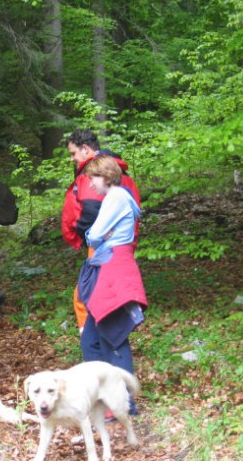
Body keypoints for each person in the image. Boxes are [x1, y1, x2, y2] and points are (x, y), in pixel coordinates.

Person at [61, 129, 141, 361]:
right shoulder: (113, 172)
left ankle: (100, 362)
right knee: (98, 301)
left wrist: (87, 238)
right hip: (114, 249)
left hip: (104, 250)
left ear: (85, 149)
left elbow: (92, 213)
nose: (72, 158)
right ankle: (99, 355)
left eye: (73, 153)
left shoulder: (97, 173)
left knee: (89, 300)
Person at [80, 155, 148, 416]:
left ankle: (123, 403)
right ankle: (108, 399)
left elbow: (94, 235)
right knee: (93, 339)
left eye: (93, 178)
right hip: (111, 269)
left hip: (114, 272)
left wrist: (96, 236)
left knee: (113, 336)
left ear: (106, 176)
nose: (91, 185)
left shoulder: (116, 197)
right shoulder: (119, 198)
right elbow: (96, 236)